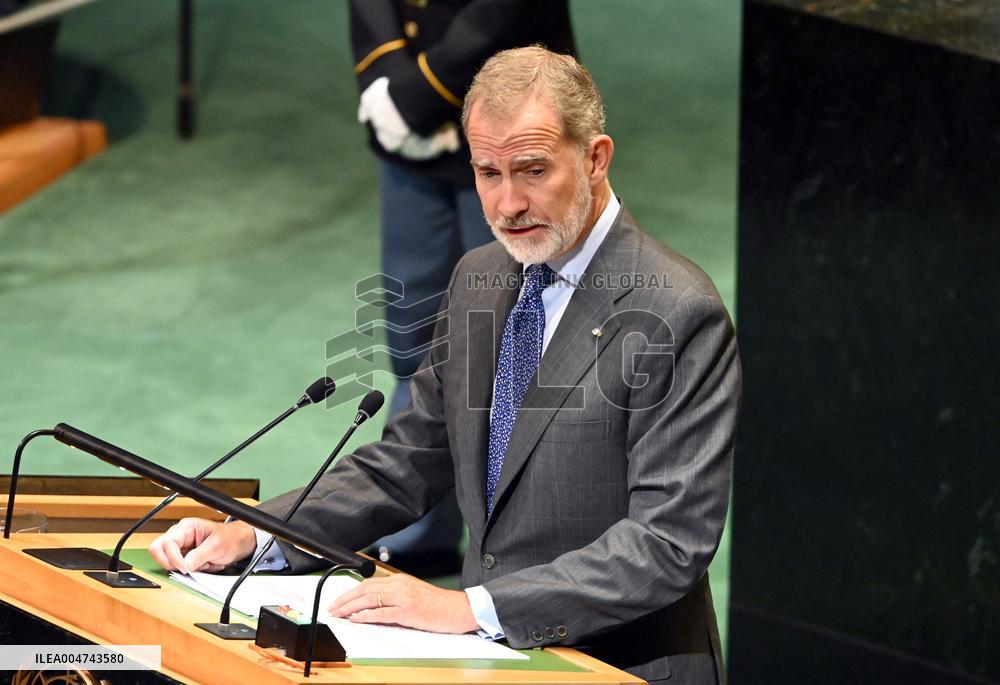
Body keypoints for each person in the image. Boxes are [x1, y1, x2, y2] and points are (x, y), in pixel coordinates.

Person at [150, 47, 741, 684]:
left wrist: (470, 608)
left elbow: (666, 542)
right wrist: (261, 533)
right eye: (488, 173)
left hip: (618, 665)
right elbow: (412, 459)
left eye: (533, 171)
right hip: (492, 664)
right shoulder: (480, 277)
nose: (507, 204)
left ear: (596, 159)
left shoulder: (677, 310)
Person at [348, 0, 576, 574]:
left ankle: (523, 550)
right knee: (414, 342)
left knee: (520, 344)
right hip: (408, 137)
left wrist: (416, 95)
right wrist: (389, 80)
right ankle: (418, 536)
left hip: (512, 131)